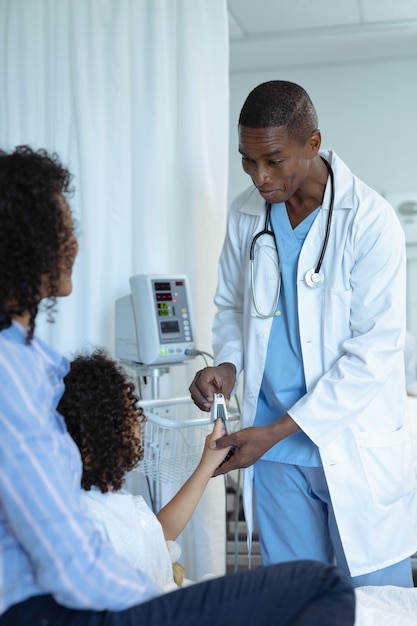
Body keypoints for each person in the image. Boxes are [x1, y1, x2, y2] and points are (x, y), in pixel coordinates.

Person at [0, 145, 356, 626]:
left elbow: (152, 529)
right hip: (66, 610)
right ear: (27, 245)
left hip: (76, 600)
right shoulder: (10, 376)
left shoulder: (34, 367)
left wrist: (223, 394)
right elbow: (68, 559)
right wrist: (160, 603)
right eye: (64, 230)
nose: (75, 245)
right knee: (323, 583)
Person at [189, 80, 417, 589]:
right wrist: (227, 365)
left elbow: (373, 354)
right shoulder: (246, 214)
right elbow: (230, 306)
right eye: (247, 160)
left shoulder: (372, 222)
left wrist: (272, 432)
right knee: (296, 603)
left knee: (378, 606)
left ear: (312, 144)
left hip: (350, 443)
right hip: (274, 456)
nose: (259, 176)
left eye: (273, 160)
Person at [57, 347, 231, 590]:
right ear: (103, 429)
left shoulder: (110, 498)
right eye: (130, 410)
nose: (140, 420)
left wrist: (207, 464)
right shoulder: (92, 519)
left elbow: (159, 533)